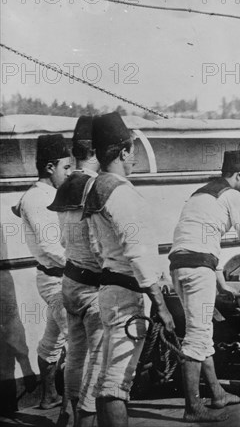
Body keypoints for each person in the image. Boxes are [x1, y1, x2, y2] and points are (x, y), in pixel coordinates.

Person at [83, 112, 175, 427]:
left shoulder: (95, 188)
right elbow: (137, 253)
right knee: (117, 384)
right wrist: (161, 306)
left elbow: (95, 248)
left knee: (109, 380)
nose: (133, 159)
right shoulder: (121, 191)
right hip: (127, 297)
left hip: (110, 290)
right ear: (123, 152)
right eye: (132, 152)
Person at [169, 149, 240, 422]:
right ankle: (192, 408)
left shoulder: (200, 195)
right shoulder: (232, 196)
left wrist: (221, 284)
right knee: (198, 336)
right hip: (196, 269)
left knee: (202, 331)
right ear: (237, 175)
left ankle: (217, 394)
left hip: (179, 267)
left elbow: (200, 238)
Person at [47, 116, 104, 426]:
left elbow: (63, 238)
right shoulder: (94, 186)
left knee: (76, 354)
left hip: (70, 281)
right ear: (98, 150)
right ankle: (87, 419)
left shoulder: (66, 184)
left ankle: (68, 412)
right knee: (97, 357)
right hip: (94, 287)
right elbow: (97, 243)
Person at [12, 133, 72, 409]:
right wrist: (85, 269)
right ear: (50, 167)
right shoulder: (37, 199)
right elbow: (50, 248)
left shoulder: (50, 194)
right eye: (66, 167)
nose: (70, 173)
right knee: (78, 342)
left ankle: (49, 396)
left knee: (52, 340)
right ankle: (77, 412)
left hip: (63, 278)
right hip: (56, 281)